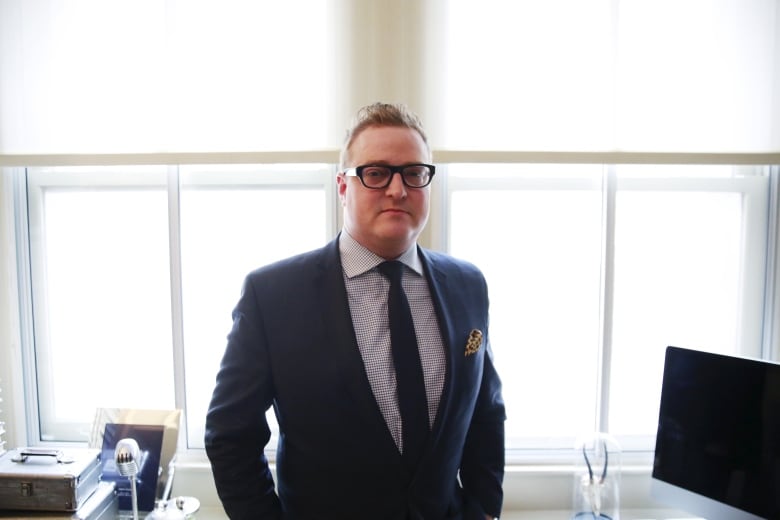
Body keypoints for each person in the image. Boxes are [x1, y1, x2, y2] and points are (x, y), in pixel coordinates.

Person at [204, 102, 505, 520]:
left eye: (414, 174)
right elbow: (230, 435)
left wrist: (485, 511)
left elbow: (486, 414)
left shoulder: (468, 285)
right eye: (376, 173)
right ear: (343, 187)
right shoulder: (273, 295)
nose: (398, 190)